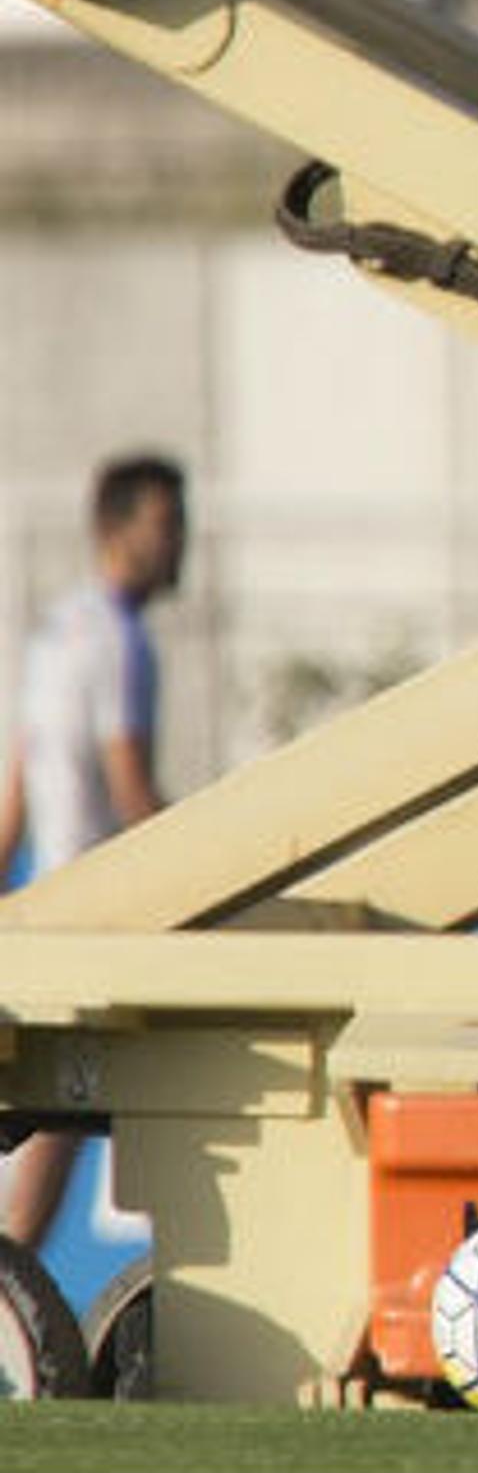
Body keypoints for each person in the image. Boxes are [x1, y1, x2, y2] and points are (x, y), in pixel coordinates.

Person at [0, 454, 188, 1253]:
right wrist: (211, 876)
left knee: (57, 1106)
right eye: (167, 525)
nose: (181, 544)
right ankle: (13, 1278)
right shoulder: (118, 640)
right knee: (72, 1105)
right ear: (118, 531)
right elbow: (130, 783)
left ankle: (13, 1276)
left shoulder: (59, 631)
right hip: (100, 905)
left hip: (53, 895)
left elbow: (19, 776)